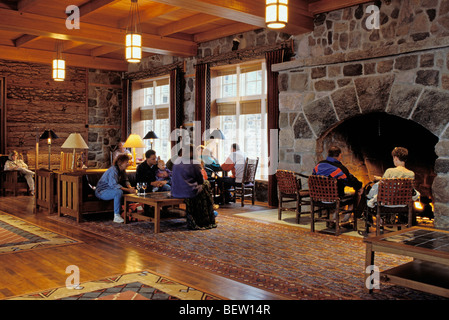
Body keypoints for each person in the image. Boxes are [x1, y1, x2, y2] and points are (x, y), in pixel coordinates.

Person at [171, 144, 217, 230]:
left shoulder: (177, 161)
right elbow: (200, 180)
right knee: (206, 184)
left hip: (175, 191)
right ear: (193, 152)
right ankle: (206, 215)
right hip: (188, 192)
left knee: (204, 186)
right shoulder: (194, 163)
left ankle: (208, 213)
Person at [95, 154, 136, 223]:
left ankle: (133, 213)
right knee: (118, 192)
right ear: (121, 163)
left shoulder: (122, 170)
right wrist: (128, 190)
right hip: (101, 191)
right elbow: (114, 185)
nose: (128, 164)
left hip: (111, 190)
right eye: (127, 162)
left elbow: (126, 181)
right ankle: (116, 216)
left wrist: (130, 188)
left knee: (132, 193)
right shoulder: (113, 170)